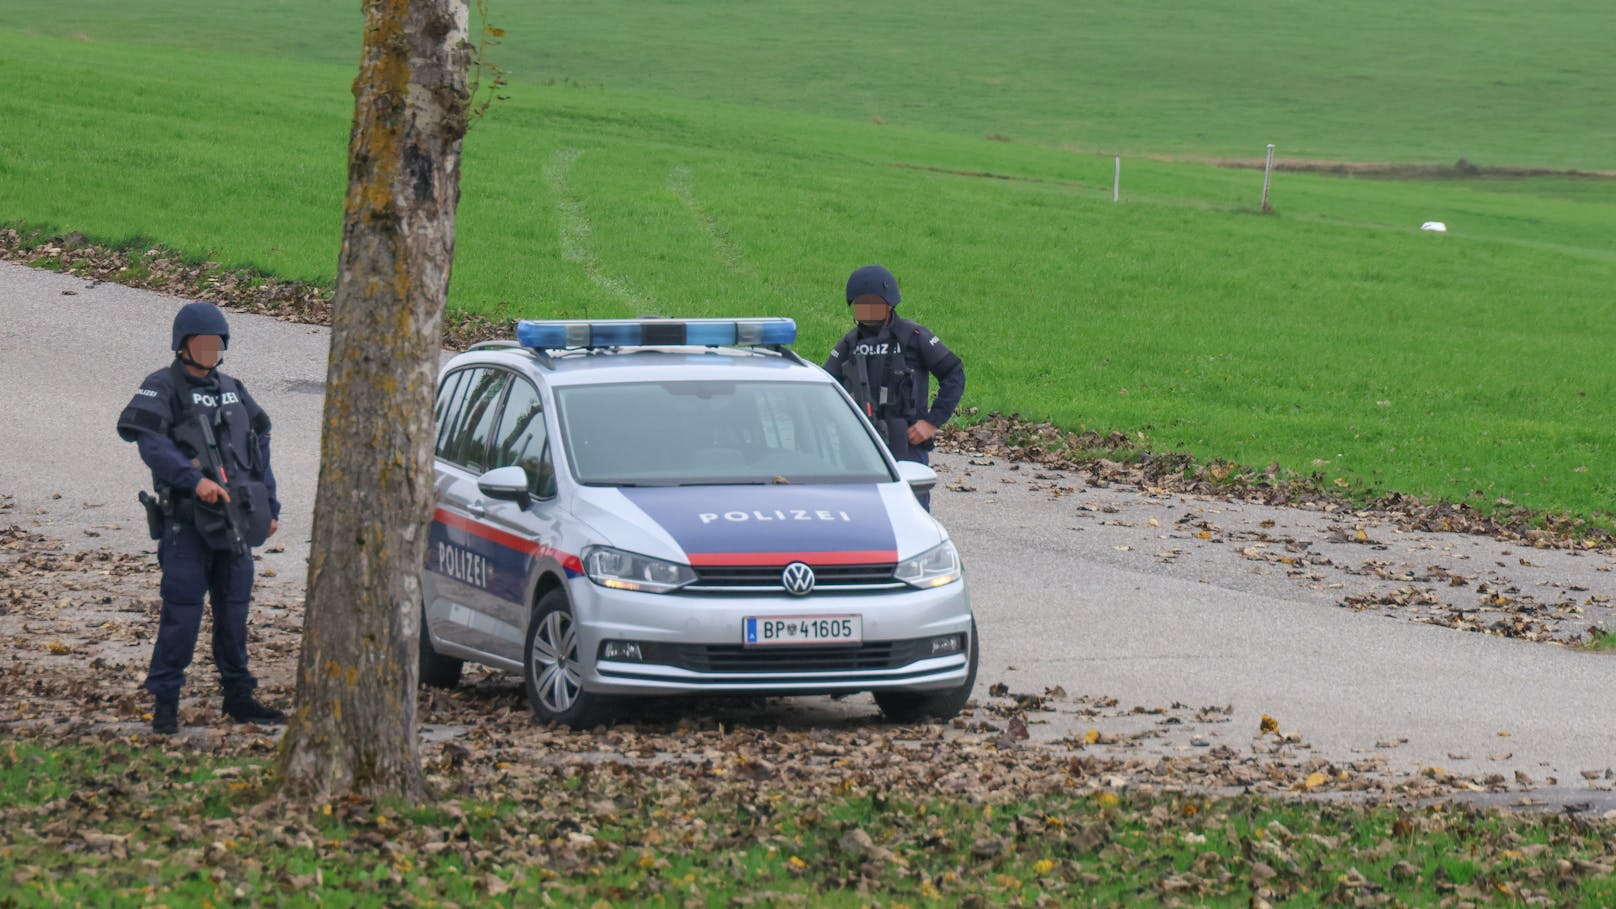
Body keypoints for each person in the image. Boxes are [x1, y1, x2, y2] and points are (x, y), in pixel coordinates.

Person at [116, 302, 286, 734]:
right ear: (183, 345)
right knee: (183, 613)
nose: (211, 350)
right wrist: (194, 481)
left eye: (217, 343)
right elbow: (150, 442)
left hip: (235, 524)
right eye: (203, 343)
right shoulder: (161, 387)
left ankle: (238, 697)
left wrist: (270, 506)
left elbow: (259, 442)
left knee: (233, 613)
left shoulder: (233, 388)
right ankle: (166, 704)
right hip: (186, 525)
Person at [824, 265, 965, 510]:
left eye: (873, 302)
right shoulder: (849, 343)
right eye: (860, 303)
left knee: (911, 509)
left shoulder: (913, 336)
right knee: (864, 510)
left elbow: (954, 373)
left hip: (907, 439)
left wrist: (931, 423)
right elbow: (826, 385)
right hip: (863, 440)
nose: (866, 309)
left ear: (889, 303)